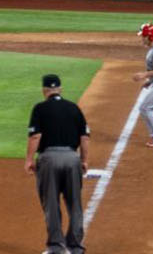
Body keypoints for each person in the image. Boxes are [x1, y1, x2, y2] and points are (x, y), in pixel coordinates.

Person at [25, 72, 90, 254]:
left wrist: (29, 160)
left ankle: (56, 247)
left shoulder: (39, 108)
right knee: (75, 203)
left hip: (49, 160)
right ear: (60, 89)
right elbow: (84, 137)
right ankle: (76, 247)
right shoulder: (74, 108)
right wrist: (84, 161)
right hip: (72, 159)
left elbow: (35, 136)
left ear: (44, 91)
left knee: (51, 204)